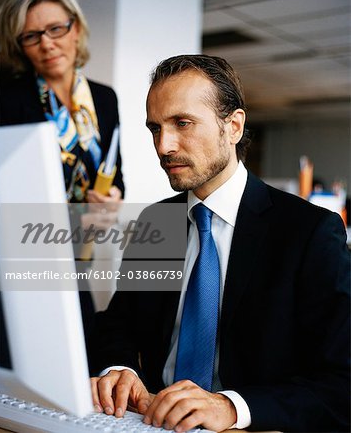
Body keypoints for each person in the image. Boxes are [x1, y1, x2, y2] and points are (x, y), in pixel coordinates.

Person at [89, 54, 349, 432]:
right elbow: (119, 326)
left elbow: (341, 383)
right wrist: (120, 369)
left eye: (182, 123)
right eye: (155, 128)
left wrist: (231, 406)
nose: (164, 146)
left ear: (233, 126)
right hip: (152, 422)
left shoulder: (309, 232)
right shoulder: (156, 222)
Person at [0, 0, 125, 344]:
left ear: (76, 28)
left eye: (56, 29)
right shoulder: (6, 100)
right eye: (31, 36)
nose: (47, 44)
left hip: (79, 258)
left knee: (81, 354)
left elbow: (115, 173)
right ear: (20, 46)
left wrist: (112, 200)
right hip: (26, 257)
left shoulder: (103, 98)